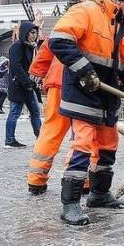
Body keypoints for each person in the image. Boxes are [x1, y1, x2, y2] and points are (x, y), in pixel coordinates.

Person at [50, 0, 124, 225]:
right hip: (83, 92)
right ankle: (71, 204)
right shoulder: (87, 11)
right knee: (83, 145)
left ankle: (99, 194)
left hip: (107, 96)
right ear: (120, 0)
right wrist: (85, 70)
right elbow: (59, 40)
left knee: (108, 145)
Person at [26, 38, 91, 195]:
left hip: (58, 81)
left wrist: (38, 71)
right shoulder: (99, 22)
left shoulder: (68, 23)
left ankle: (36, 179)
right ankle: (79, 180)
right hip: (83, 83)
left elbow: (49, 45)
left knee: (51, 130)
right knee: (83, 132)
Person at [5, 23, 42, 148]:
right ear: (25, 32)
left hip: (29, 86)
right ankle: (9, 140)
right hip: (19, 86)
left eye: (35, 33)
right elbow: (17, 66)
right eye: (32, 32)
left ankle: (41, 138)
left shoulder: (31, 47)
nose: (34, 35)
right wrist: (27, 83)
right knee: (15, 112)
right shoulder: (18, 46)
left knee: (35, 112)